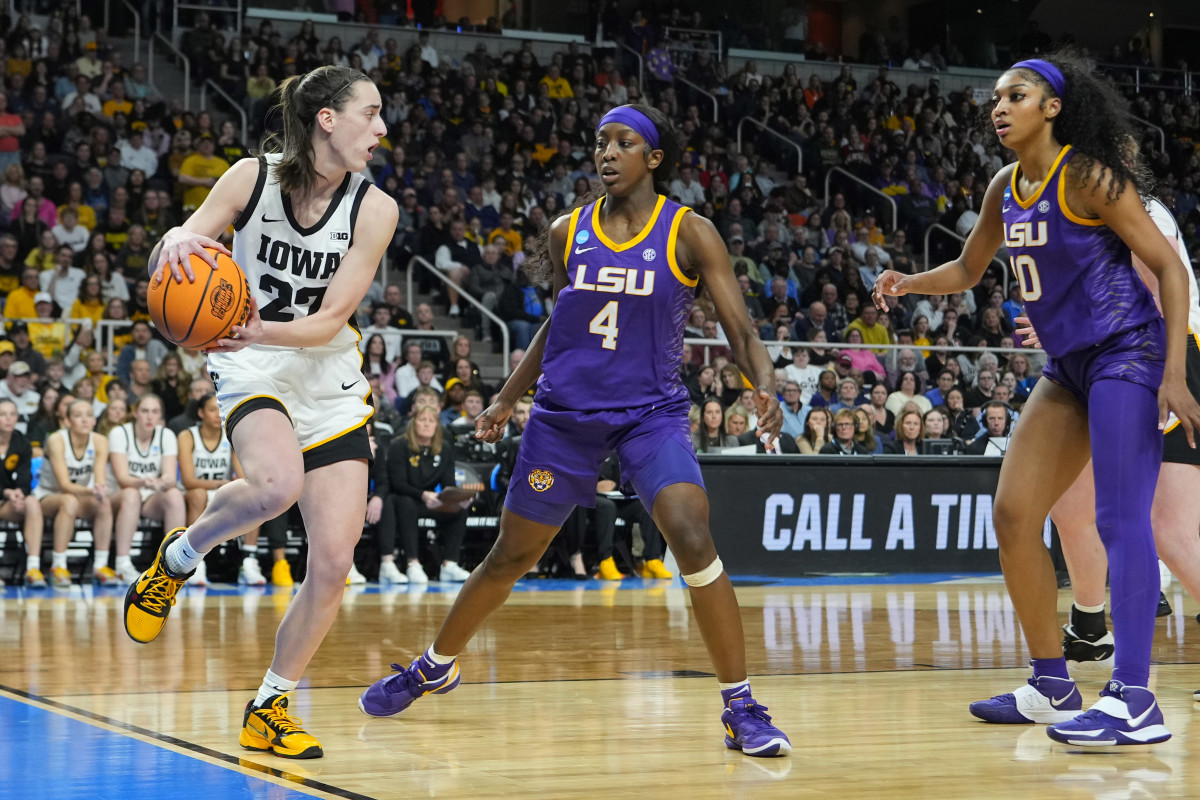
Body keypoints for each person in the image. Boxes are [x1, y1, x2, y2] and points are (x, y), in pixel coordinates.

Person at [360, 103, 791, 757]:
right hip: (565, 417)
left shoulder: (690, 232)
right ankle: (434, 664)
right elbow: (558, 324)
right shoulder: (569, 231)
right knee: (510, 554)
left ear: (654, 159)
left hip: (651, 414)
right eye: (599, 143)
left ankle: (741, 706)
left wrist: (764, 385)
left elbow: (741, 329)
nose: (606, 153)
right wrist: (507, 398)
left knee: (690, 529)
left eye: (623, 143)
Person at [872, 52, 1200, 746]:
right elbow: (968, 268)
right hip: (1068, 366)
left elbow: (1170, 267)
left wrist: (1174, 373)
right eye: (994, 97)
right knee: (1016, 514)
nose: (998, 107)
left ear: (1051, 107)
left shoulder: (1087, 175)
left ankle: (1134, 699)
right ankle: (1052, 681)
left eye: (1014, 95)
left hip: (1127, 355)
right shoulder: (1003, 186)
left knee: (1121, 518)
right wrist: (908, 283)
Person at [121, 65, 396, 760]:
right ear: (327, 120)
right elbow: (180, 247)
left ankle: (270, 705)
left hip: (322, 365)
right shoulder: (249, 178)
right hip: (248, 361)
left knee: (333, 562)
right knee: (277, 485)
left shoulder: (376, 209)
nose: (383, 128)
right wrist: (175, 248)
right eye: (372, 113)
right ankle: (179, 558)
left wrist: (251, 324)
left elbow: (333, 318)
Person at [1033, 193, 1200, 700]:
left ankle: (1123, 667)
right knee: (1069, 503)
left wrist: (1173, 373)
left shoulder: (1123, 198)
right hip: (1100, 357)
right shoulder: (1060, 196)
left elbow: (1161, 283)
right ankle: (1088, 625)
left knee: (1169, 527)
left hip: (1161, 353)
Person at [375, 405, 473, 584]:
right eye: (422, 420)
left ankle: (449, 564)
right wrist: (423, 495)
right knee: (406, 503)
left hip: (431, 501)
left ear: (437, 425)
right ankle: (413, 563)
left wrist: (457, 498)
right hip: (406, 499)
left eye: (431, 421)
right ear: (413, 423)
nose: (427, 424)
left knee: (460, 509)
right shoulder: (400, 445)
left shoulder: (444, 448)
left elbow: (448, 484)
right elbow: (398, 483)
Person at [178, 393, 267, 587]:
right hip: (194, 493)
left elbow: (245, 476)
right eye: (212, 410)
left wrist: (235, 485)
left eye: (220, 409)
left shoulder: (230, 434)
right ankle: (195, 564)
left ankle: (249, 561)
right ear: (201, 413)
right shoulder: (187, 436)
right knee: (198, 494)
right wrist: (221, 484)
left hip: (221, 492)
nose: (218, 414)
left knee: (253, 494)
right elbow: (188, 481)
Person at [107, 394, 186, 583]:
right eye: (145, 411)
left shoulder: (166, 435)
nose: (150, 417)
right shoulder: (119, 433)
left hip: (150, 497)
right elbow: (122, 479)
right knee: (132, 494)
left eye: (155, 412)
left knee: (174, 495)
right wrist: (144, 481)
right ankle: (122, 563)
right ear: (134, 413)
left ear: (160, 416)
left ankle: (173, 565)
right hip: (118, 495)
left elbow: (170, 479)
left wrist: (164, 482)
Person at [34, 399, 113, 587]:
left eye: (89, 415)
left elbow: (100, 476)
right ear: (67, 421)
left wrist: (100, 490)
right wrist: (90, 490)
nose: (85, 420)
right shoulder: (56, 440)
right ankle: (58, 566)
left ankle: (100, 565)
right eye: (78, 416)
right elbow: (64, 484)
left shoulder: (100, 441)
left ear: (95, 420)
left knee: (104, 503)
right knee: (69, 500)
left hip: (80, 497)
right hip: (48, 496)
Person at [0, 398, 45, 588]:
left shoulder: (22, 442)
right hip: (3, 496)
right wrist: (5, 492)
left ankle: (33, 568)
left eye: (12, 414)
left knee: (32, 503)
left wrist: (19, 492)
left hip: (9, 501)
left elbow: (26, 477)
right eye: (3, 414)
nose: (8, 419)